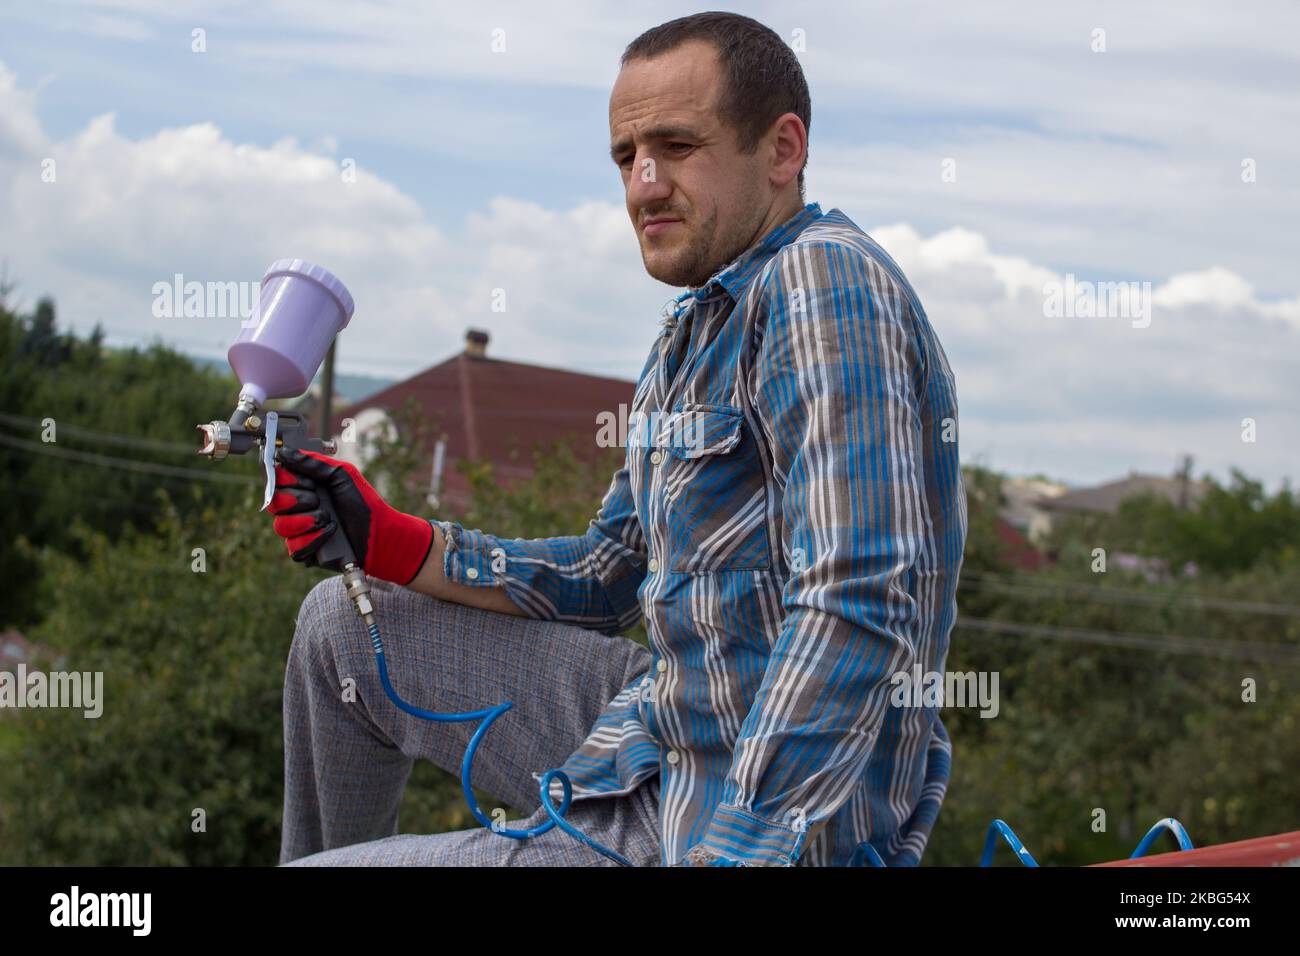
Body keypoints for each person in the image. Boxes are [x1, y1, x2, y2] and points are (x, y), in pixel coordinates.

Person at [272, 10, 966, 868]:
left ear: (783, 150)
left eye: (677, 147)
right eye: (626, 158)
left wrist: (742, 852)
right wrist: (396, 543)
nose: (642, 185)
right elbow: (607, 577)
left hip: (742, 821)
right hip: (658, 731)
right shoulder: (691, 331)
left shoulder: (821, 283)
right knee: (345, 623)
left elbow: (860, 600)